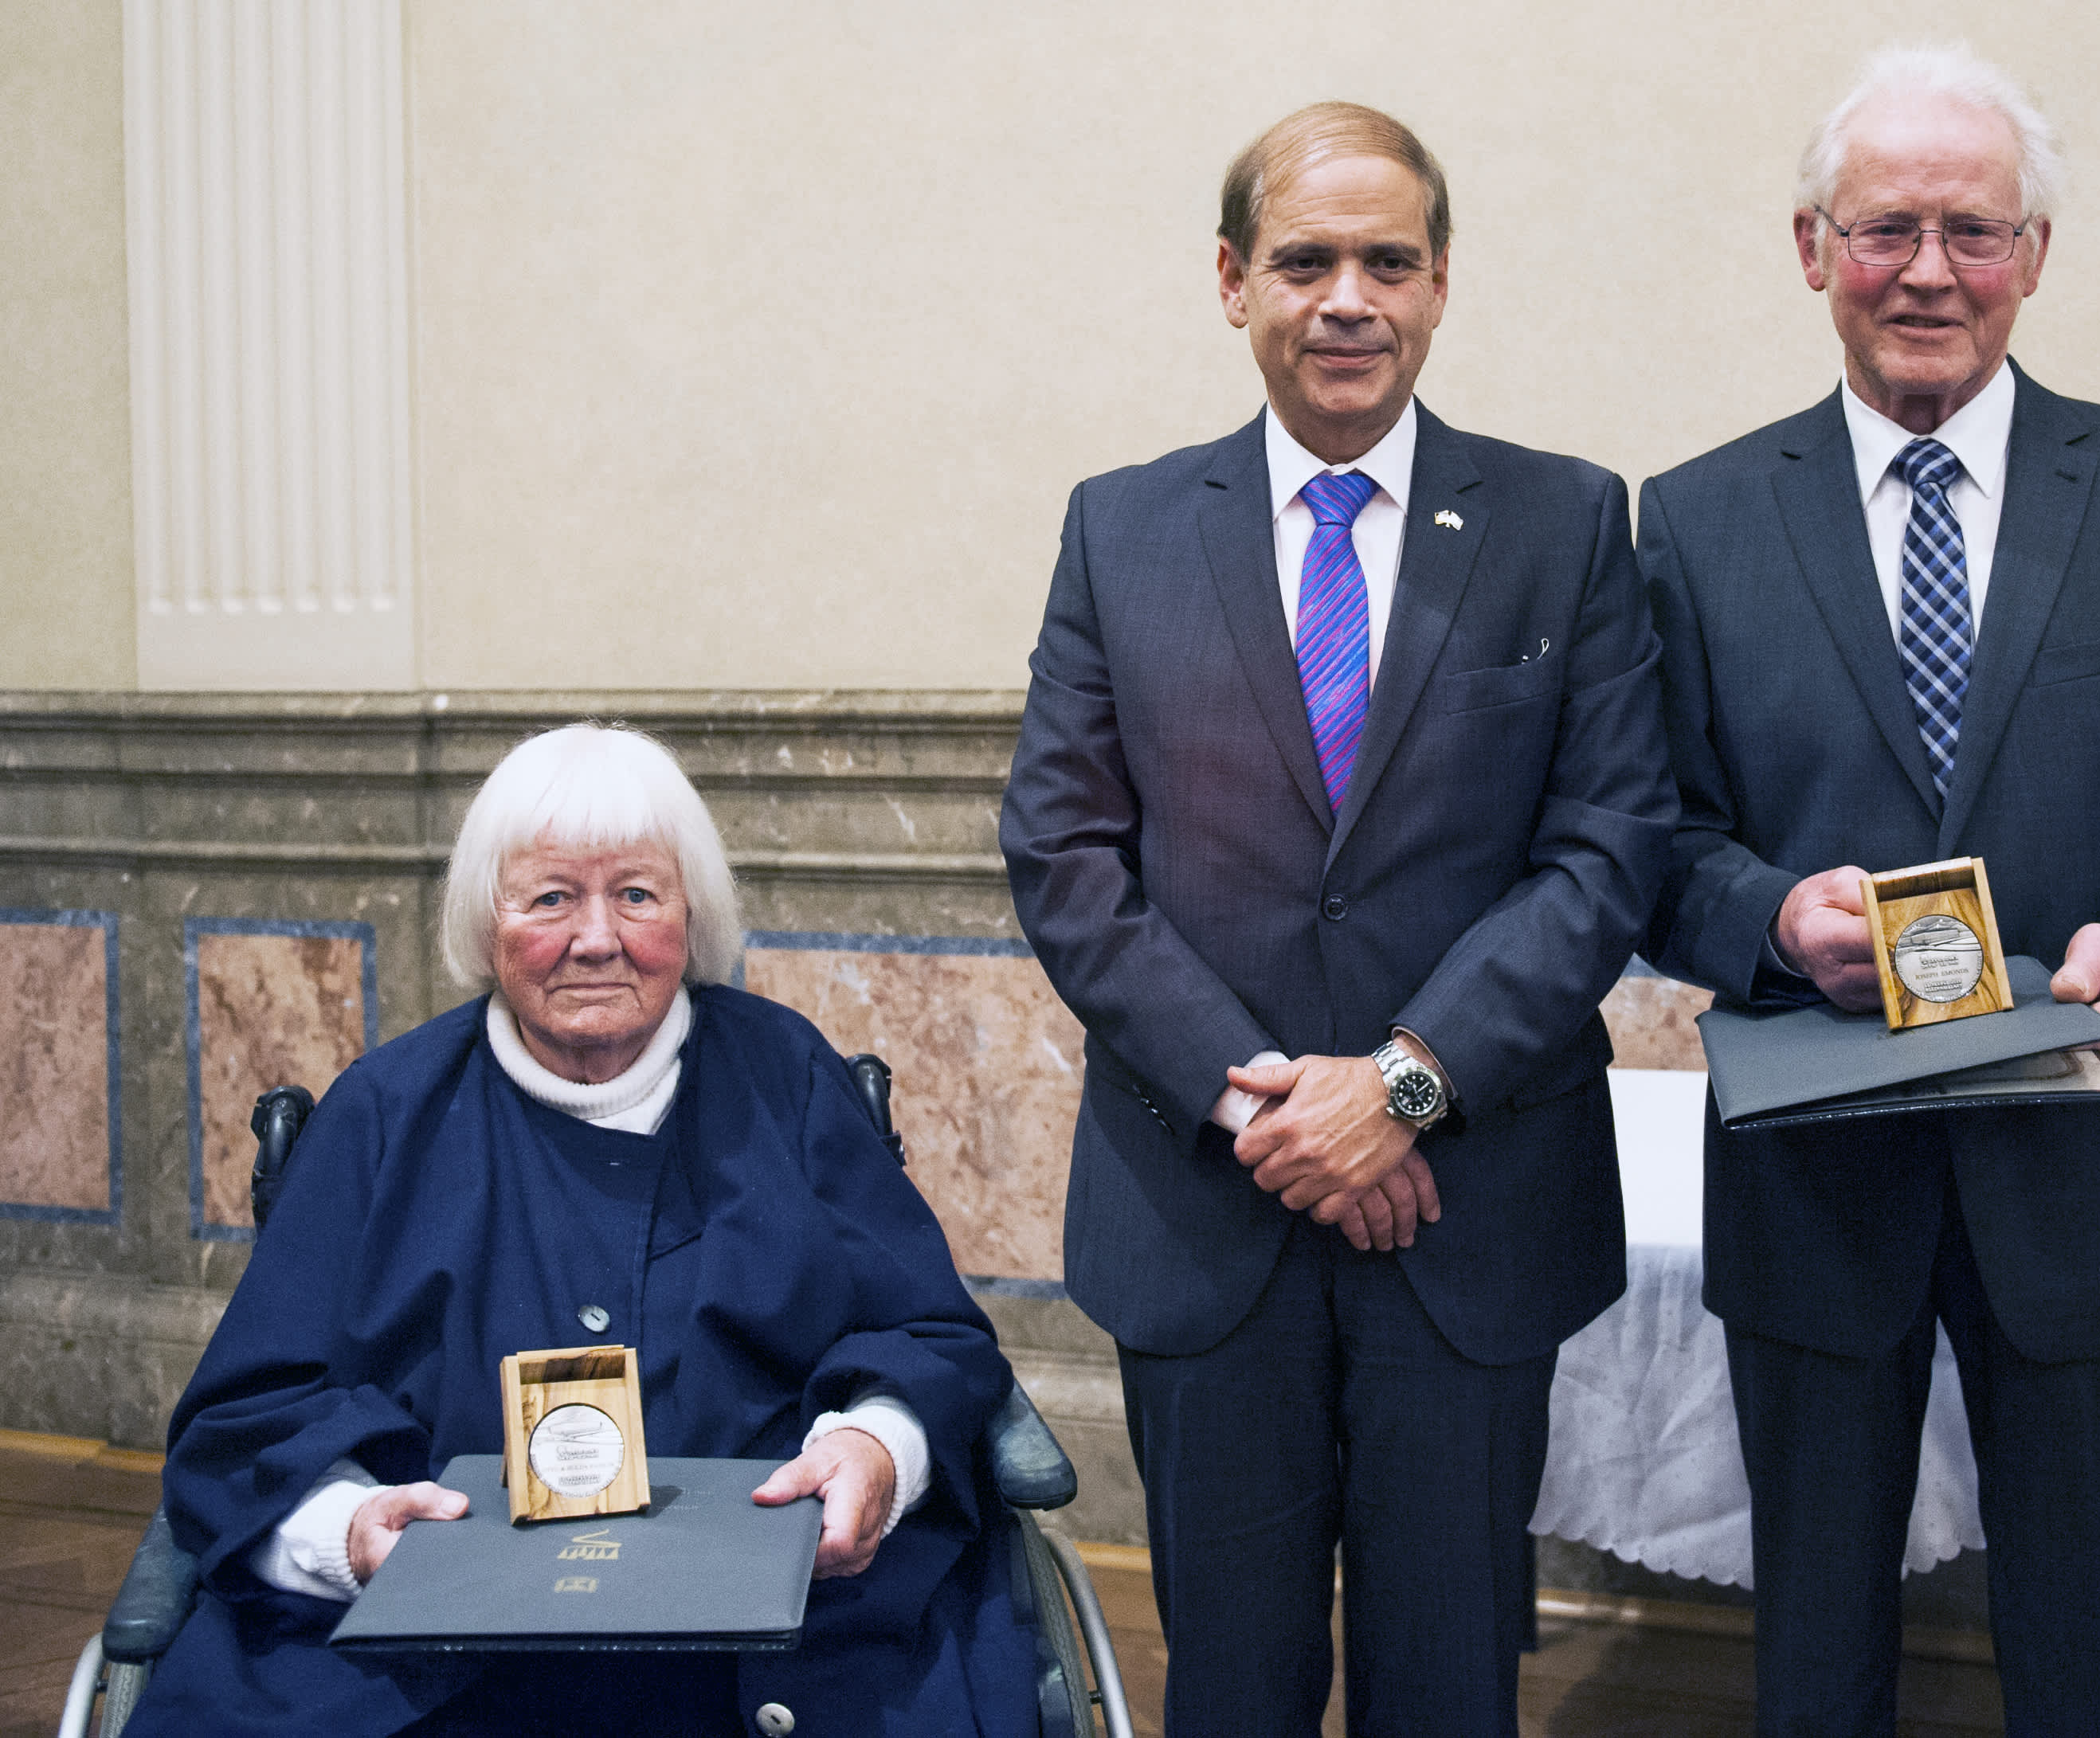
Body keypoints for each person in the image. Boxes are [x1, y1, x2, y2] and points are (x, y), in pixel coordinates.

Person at [1640, 46, 2100, 1737]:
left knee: (2094, 1655)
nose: (1928, 270)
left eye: (1974, 229)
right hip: (1818, 1175)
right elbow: (1653, 837)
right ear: (1810, 247)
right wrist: (1769, 919)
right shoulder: (1698, 519)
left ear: (2032, 253)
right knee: (1814, 1659)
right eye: (1884, 229)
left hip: (2091, 1159)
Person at [999, 101, 1675, 1738]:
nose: (1346, 297)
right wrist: (1271, 1100)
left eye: (1386, 260)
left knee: (1448, 1685)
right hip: (1203, 1208)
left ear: (1442, 283)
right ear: (1231, 281)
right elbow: (1064, 853)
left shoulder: (1565, 522)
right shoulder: (1122, 526)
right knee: (1226, 1681)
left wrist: (1402, 1086)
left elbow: (1606, 847)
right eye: (1304, 260)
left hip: (1471, 1207)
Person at [127, 725, 1035, 1738]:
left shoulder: (787, 1078)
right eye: (551, 896)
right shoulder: (384, 1114)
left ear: (691, 914)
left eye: (638, 894)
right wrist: (348, 1534)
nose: (597, 937)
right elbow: (245, 1419)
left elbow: (931, 1336)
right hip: (443, 1660)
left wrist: (878, 1445)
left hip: (778, 1639)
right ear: (488, 919)